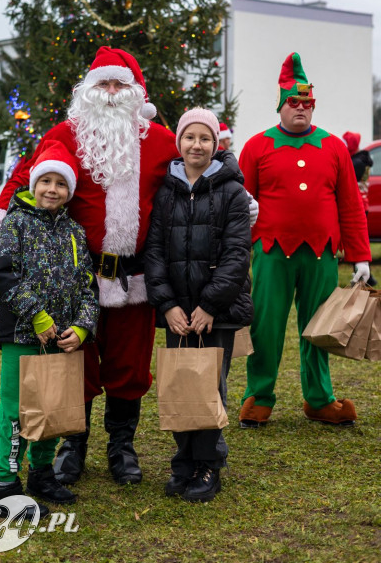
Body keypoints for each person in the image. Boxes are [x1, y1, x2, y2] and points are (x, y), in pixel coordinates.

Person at [0, 47, 180, 486]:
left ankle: (122, 446)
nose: (111, 92)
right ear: (88, 89)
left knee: (130, 367)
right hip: (77, 279)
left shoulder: (161, 141)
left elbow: (199, 169)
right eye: (103, 83)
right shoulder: (65, 134)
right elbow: (24, 176)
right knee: (76, 361)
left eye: (120, 83)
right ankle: (74, 444)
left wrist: (237, 198)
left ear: (136, 91)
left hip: (134, 278)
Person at [238, 52, 371, 428]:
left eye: (307, 102)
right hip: (270, 251)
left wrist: (361, 257)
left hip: (321, 253)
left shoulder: (334, 147)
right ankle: (259, 396)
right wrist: (236, 253)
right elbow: (240, 204)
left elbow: (350, 205)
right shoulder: (257, 146)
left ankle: (319, 398)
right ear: (280, 105)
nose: (301, 107)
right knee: (266, 325)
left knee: (319, 326)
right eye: (293, 102)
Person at [145, 108, 253, 502]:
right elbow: (154, 251)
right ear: (179, 143)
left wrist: (209, 304)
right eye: (189, 137)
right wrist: (167, 304)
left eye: (205, 138)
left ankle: (209, 463)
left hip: (216, 311)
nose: (197, 145)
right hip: (178, 310)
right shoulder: (166, 191)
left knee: (209, 385)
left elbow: (237, 254)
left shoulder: (232, 192)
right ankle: (184, 460)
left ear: (215, 143)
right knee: (180, 381)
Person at [0, 142, 100, 510]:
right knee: (16, 409)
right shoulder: (15, 222)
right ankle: (6, 482)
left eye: (61, 183)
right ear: (34, 184)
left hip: (61, 339)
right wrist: (36, 314)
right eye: (46, 181)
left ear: (70, 190)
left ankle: (41, 472)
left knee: (52, 408)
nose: (52, 189)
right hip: (23, 335)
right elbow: (4, 274)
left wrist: (82, 328)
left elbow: (89, 287)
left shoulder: (75, 232)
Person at [342, 131, 376, 286]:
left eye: (346, 142)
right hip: (363, 202)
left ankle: (365, 275)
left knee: (356, 239)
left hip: (358, 204)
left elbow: (345, 180)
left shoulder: (357, 162)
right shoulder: (361, 159)